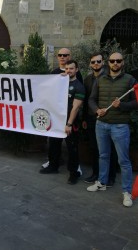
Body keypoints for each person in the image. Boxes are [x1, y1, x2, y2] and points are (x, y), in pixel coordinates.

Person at [87, 52, 138, 207]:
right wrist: (97, 110)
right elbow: (91, 99)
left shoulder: (130, 80)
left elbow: (136, 102)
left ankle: (127, 192)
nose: (115, 63)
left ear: (123, 62)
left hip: (120, 126)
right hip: (101, 124)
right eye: (112, 60)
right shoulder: (100, 79)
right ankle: (102, 182)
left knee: (123, 161)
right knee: (103, 155)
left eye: (118, 60)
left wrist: (121, 105)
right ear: (108, 62)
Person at [41, 60, 85, 185]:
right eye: (66, 69)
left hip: (70, 123)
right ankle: (53, 166)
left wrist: (69, 124)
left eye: (71, 69)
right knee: (54, 144)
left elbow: (76, 107)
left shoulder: (79, 86)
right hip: (56, 121)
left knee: (72, 149)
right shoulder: (59, 84)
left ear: (76, 70)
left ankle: (74, 173)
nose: (68, 71)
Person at [82, 53, 117, 186]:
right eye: (93, 62)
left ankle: (111, 176)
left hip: (108, 118)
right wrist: (84, 118)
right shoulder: (87, 79)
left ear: (103, 62)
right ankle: (96, 174)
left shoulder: (109, 78)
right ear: (90, 64)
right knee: (94, 148)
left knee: (110, 149)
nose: (96, 63)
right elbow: (86, 101)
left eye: (98, 61)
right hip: (91, 119)